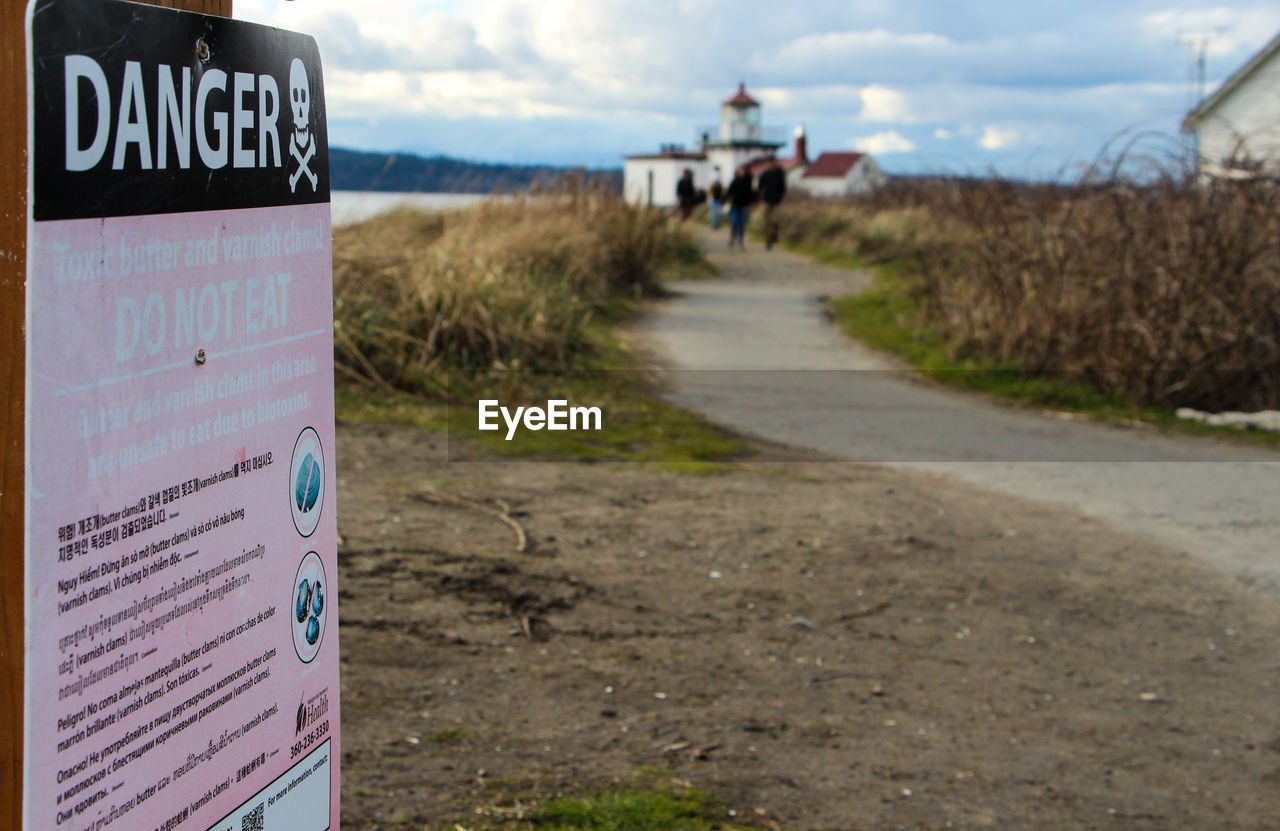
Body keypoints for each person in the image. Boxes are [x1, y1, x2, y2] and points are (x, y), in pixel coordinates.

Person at [757, 157, 787, 250]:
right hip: (766, 201)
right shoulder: (765, 175)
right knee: (767, 222)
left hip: (776, 202)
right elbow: (760, 188)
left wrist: (781, 197)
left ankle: (774, 235)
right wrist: (760, 198)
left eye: (772, 163)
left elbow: (783, 187)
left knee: (775, 220)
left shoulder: (779, 174)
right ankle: (768, 241)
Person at [724, 165, 754, 249]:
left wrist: (751, 203)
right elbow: (729, 192)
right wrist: (728, 200)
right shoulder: (735, 182)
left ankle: (740, 241)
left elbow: (750, 194)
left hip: (744, 206)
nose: (742, 172)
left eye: (743, 171)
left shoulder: (748, 183)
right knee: (734, 223)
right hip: (735, 205)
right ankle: (732, 238)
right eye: (740, 171)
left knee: (742, 225)